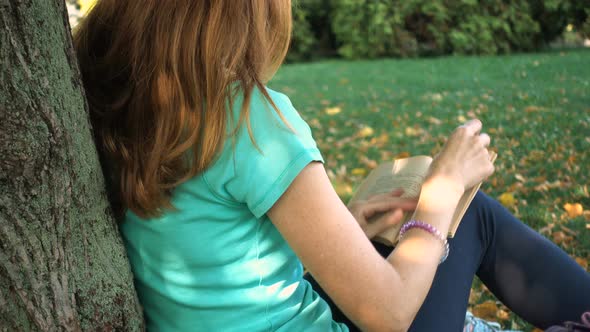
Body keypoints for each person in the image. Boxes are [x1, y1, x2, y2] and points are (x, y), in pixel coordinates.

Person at [73, 1, 590, 331]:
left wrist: (345, 221)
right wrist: (445, 188)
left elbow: (213, 244)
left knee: (395, 230)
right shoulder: (249, 120)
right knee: (474, 217)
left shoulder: (110, 103)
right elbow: (388, 315)